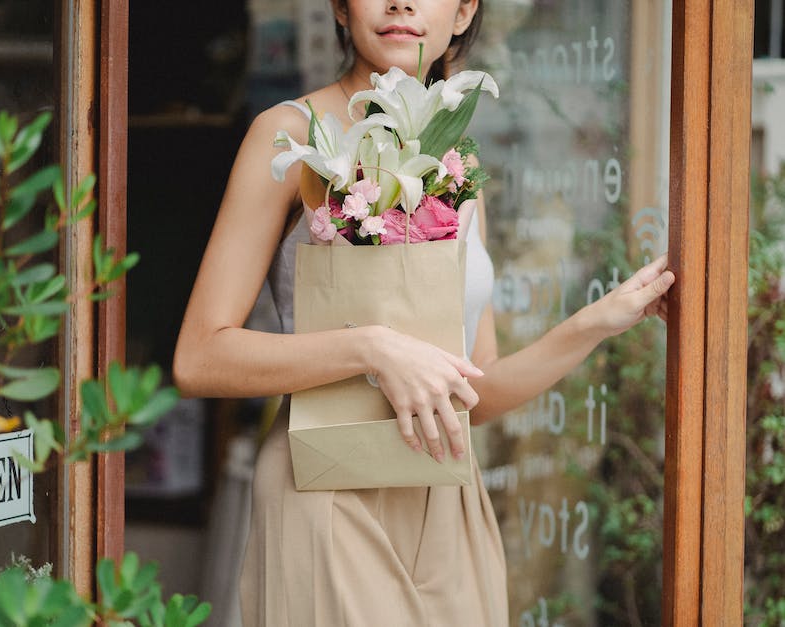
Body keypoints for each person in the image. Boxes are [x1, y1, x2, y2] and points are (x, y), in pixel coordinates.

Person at [173, 1, 675, 625]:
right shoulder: (292, 135)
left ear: (464, 13)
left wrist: (593, 324)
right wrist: (372, 348)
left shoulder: (458, 165)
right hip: (326, 486)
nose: (402, 3)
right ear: (338, 6)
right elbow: (199, 356)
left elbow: (475, 390)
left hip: (444, 494)